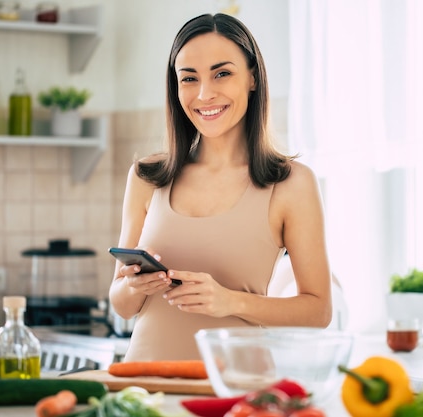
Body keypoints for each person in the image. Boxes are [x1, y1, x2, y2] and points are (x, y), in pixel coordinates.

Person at [109, 13, 334, 361]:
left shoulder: (291, 184)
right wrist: (134, 286)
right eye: (189, 78)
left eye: (222, 74)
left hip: (237, 390)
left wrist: (231, 301)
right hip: (144, 392)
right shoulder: (146, 177)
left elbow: (318, 313)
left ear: (253, 78)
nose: (204, 94)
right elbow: (122, 305)